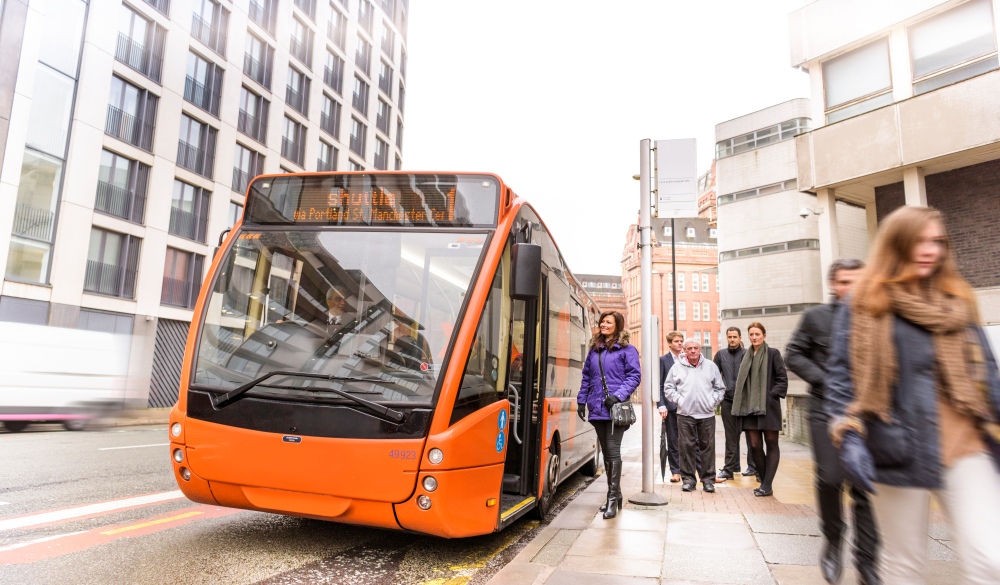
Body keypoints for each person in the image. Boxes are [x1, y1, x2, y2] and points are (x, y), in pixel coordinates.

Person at [826, 206, 1000, 584]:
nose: (930, 250)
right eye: (919, 241)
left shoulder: (957, 298)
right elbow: (841, 375)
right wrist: (847, 430)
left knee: (992, 559)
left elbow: (987, 370)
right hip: (896, 445)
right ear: (896, 244)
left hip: (964, 445)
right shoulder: (863, 301)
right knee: (905, 566)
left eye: (937, 241)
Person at [786, 258, 879, 585]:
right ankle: (833, 539)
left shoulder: (875, 317)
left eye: (856, 280)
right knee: (829, 478)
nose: (850, 287)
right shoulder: (816, 318)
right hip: (825, 408)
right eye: (844, 281)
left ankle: (867, 561)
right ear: (833, 284)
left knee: (865, 486)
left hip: (866, 413)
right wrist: (826, 380)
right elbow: (793, 354)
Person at [577, 310, 641, 519]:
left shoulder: (626, 350)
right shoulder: (594, 350)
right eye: (602, 322)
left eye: (608, 322)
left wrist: (618, 395)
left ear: (617, 326)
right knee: (605, 453)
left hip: (615, 409)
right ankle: (617, 495)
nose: (603, 325)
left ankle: (612, 498)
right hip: (597, 408)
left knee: (613, 452)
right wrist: (581, 400)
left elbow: (634, 376)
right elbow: (586, 376)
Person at [732, 321, 788, 497]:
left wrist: (771, 395)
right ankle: (764, 481)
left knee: (771, 444)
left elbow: (782, 379)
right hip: (749, 408)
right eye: (751, 334)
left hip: (768, 408)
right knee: (755, 446)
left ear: (764, 335)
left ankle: (767, 484)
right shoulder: (745, 356)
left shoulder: (773, 354)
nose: (754, 337)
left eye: (757, 334)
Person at [663, 338, 726, 492]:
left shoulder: (711, 366)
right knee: (686, 447)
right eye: (689, 348)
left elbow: (720, 388)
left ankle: (708, 480)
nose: (692, 351)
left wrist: (712, 402)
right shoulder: (677, 367)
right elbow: (668, 388)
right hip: (685, 414)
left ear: (700, 349)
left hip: (707, 414)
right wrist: (680, 401)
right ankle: (689, 480)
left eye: (695, 348)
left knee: (708, 447)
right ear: (684, 350)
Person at [714, 327, 756, 481]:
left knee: (751, 436)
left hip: (746, 401)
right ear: (727, 338)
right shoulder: (720, 355)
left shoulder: (748, 354)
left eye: (735, 337)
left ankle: (753, 467)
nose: (732, 339)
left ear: (740, 338)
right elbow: (714, 376)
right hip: (728, 401)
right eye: (730, 337)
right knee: (731, 437)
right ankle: (730, 468)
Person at [657, 331, 685, 483]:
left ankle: (688, 469)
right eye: (676, 341)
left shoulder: (686, 359)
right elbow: (659, 384)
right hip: (670, 407)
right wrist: (661, 405)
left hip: (686, 407)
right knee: (673, 439)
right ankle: (675, 471)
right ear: (669, 343)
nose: (680, 344)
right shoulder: (663, 360)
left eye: (681, 341)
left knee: (688, 440)